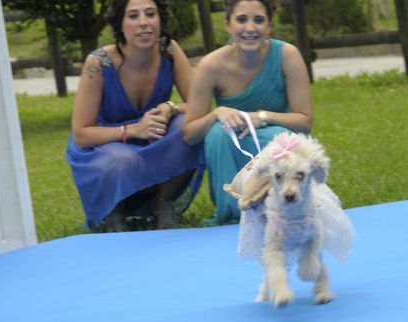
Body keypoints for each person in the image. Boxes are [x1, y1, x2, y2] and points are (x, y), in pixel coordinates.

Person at [66, 0, 205, 232]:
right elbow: (81, 134)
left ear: (160, 19)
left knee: (190, 129)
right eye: (133, 16)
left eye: (150, 14)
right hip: (103, 145)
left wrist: (171, 107)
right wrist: (133, 130)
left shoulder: (169, 51)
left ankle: (162, 204)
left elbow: (198, 106)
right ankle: (114, 211)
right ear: (120, 23)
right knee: (124, 160)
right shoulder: (99, 63)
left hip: (152, 137)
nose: (143, 23)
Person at [183, 0, 312, 225]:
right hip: (232, 139)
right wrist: (217, 113)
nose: (250, 28)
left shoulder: (287, 55)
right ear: (228, 24)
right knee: (216, 134)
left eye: (259, 20)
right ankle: (232, 212)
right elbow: (190, 133)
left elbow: (305, 121)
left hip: (275, 136)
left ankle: (283, 204)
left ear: (269, 26)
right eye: (242, 19)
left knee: (279, 139)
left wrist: (262, 117)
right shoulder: (210, 66)